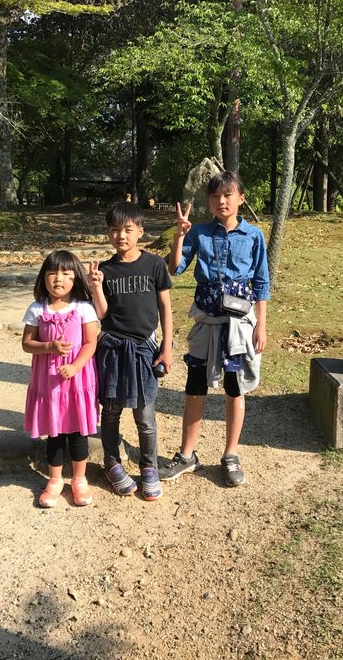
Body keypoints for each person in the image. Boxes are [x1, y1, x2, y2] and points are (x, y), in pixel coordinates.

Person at [160, 171, 270, 487]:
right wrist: (180, 235)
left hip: (237, 328)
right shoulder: (200, 233)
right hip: (206, 326)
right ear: (208, 201)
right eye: (214, 196)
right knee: (195, 385)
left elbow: (261, 281)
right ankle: (186, 455)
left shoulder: (254, 236)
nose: (221, 201)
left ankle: (231, 455)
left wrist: (260, 325)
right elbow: (175, 269)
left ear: (240, 198)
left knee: (234, 386)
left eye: (227, 195)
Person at [89, 202, 173, 501]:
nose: (120, 236)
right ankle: (111, 461)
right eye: (114, 230)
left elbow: (165, 307)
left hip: (144, 350)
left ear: (140, 231)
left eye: (127, 230)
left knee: (145, 415)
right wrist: (96, 286)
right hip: (112, 349)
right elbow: (101, 313)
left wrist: (167, 347)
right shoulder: (105, 270)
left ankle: (148, 466)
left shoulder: (154, 265)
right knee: (110, 411)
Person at [22, 250, 99, 508]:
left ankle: (79, 479)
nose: (58, 279)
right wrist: (48, 348)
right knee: (54, 432)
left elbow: (90, 343)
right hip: (49, 383)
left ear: (76, 279)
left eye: (66, 274)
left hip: (77, 381)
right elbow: (27, 343)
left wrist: (76, 366)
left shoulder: (83, 308)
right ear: (43, 277)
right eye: (52, 273)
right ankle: (54, 479)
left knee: (77, 432)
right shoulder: (37, 309)